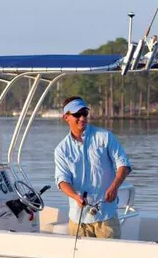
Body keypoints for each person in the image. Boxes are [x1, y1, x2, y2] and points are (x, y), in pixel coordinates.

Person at [54, 96, 131, 239]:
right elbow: (62, 181)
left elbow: (123, 164)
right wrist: (75, 196)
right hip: (78, 220)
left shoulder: (105, 137)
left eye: (85, 113)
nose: (82, 118)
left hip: (106, 217)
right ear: (66, 117)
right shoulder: (61, 150)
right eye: (77, 114)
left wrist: (114, 187)